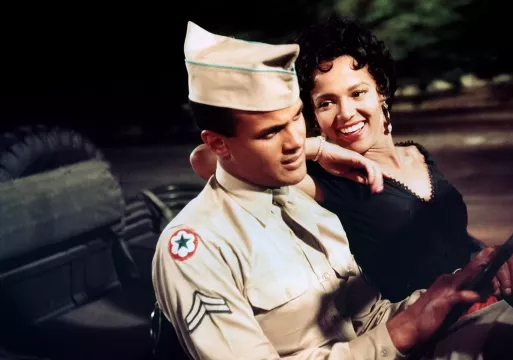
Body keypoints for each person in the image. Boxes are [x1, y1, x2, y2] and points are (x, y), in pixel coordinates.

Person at [152, 20, 513, 360]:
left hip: (410, 338)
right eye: (273, 131)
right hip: (397, 346)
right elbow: (207, 163)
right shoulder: (200, 244)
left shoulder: (299, 202)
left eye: (295, 120)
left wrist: (459, 282)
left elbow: (373, 309)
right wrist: (403, 332)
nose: (293, 142)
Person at [189, 15, 494, 304]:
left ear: (381, 92)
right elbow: (204, 160)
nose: (346, 113)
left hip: (480, 300)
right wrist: (316, 149)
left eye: (358, 93)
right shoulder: (320, 179)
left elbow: (451, 237)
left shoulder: (417, 154)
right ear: (312, 116)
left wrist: (493, 256)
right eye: (326, 103)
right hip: (424, 332)